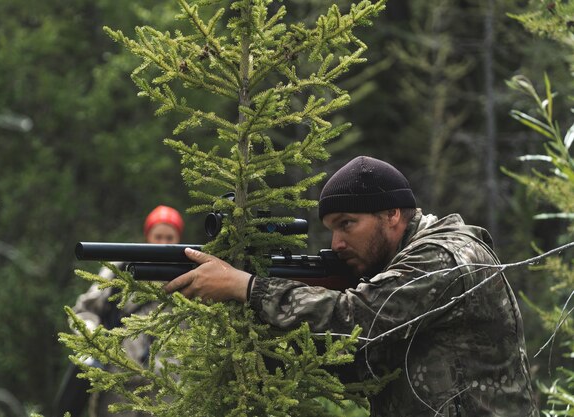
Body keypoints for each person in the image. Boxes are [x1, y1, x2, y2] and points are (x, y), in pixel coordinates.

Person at [163, 156, 539, 417]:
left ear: (392, 214)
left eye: (347, 224)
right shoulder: (403, 263)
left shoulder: (445, 256)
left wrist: (245, 286)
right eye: (331, 229)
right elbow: (356, 365)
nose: (336, 244)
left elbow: (356, 319)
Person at [71, 205, 184, 417]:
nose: (163, 243)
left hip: (169, 389)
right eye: (158, 236)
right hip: (119, 386)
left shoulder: (190, 275)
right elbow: (84, 311)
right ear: (147, 236)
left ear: (179, 237)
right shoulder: (121, 268)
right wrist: (96, 342)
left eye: (170, 237)